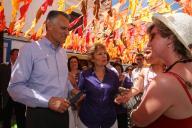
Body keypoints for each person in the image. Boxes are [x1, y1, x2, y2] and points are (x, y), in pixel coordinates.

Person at [116, 13, 192, 128]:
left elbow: (139, 120)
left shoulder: (164, 82)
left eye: (153, 36)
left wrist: (133, 112)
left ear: (170, 39)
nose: (148, 43)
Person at [7, 10, 72, 128]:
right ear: (49, 26)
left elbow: (63, 81)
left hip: (63, 114)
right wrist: (48, 101)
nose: (67, 33)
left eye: (68, 29)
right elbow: (14, 88)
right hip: (40, 115)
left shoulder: (63, 53)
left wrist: (72, 91)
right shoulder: (30, 50)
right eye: (63, 28)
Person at [77, 43, 119, 128]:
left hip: (109, 120)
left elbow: (115, 93)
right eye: (100, 54)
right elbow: (79, 95)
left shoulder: (113, 75)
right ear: (92, 58)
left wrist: (119, 97)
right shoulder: (84, 75)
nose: (104, 56)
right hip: (87, 121)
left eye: (104, 53)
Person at [0, 49, 26, 128]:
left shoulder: (24, 69)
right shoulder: (3, 67)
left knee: (21, 118)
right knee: (6, 118)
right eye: (17, 54)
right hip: (7, 97)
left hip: (19, 98)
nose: (19, 56)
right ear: (11, 56)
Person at [113, 62, 133, 128]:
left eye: (118, 69)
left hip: (121, 109)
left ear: (121, 70)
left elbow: (130, 90)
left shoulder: (126, 79)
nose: (117, 71)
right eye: (115, 69)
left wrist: (122, 90)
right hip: (111, 109)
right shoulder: (110, 79)